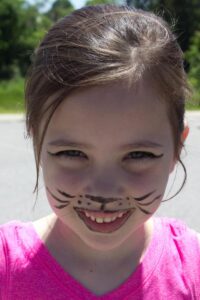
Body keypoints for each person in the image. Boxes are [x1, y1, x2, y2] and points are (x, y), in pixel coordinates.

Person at [0, 4, 199, 299]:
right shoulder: (6, 269)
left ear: (177, 148)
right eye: (72, 153)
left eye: (138, 155)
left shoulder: (192, 269)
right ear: (37, 138)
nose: (103, 192)